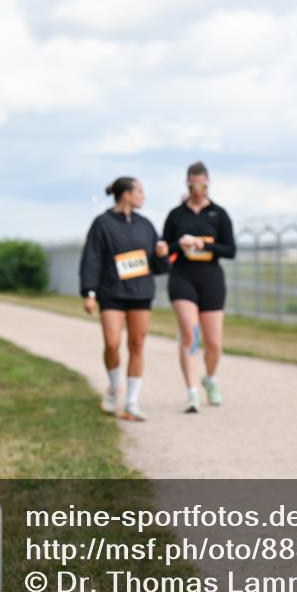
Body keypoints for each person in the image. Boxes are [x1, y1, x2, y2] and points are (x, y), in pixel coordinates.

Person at [80, 177, 170, 421]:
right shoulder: (102, 224)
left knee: (137, 344)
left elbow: (159, 267)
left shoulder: (146, 225)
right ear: (126, 195)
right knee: (112, 343)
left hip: (141, 293)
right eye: (140, 191)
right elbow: (92, 259)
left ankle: (131, 402)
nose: (143, 196)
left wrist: (163, 255)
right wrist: (89, 293)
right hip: (111, 293)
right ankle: (113, 386)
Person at [161, 161, 236, 413]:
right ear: (187, 183)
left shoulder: (219, 214)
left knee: (213, 342)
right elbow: (164, 247)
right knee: (190, 335)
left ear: (208, 183)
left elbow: (230, 250)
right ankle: (191, 392)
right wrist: (177, 245)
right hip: (183, 278)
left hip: (211, 279)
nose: (198, 188)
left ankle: (209, 379)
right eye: (193, 184)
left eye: (202, 184)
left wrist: (205, 245)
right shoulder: (176, 215)